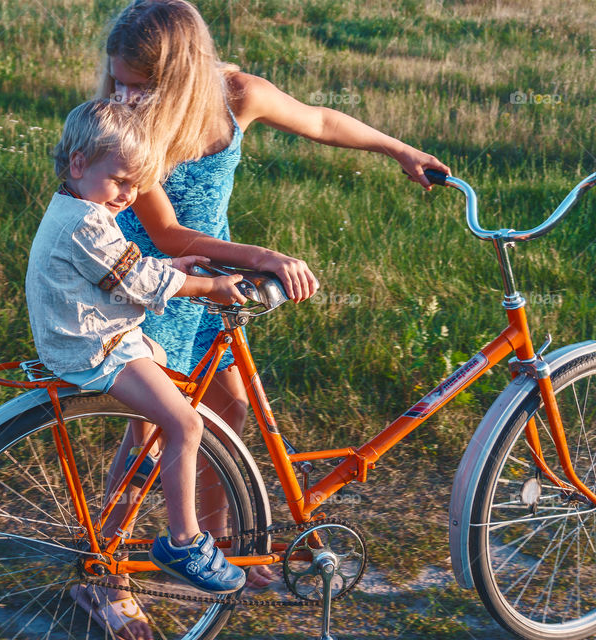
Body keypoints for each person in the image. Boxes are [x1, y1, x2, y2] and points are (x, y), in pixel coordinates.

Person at [96, 0, 452, 602]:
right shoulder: (128, 128)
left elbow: (320, 119)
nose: (126, 98)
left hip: (216, 289)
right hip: (157, 286)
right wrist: (261, 257)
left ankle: (220, 542)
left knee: (228, 413)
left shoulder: (238, 95)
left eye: (140, 87)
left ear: (182, 78)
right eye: (119, 84)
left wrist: (398, 150)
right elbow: (166, 235)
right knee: (149, 440)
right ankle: (103, 576)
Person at [25, 98, 255, 637]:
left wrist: (172, 265)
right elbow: (135, 282)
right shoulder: (86, 222)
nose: (129, 196)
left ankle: (148, 458)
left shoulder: (81, 208)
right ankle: (183, 542)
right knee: (188, 422)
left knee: (163, 364)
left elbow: (121, 271)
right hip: (91, 345)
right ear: (79, 164)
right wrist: (207, 285)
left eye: (137, 186)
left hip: (98, 332)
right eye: (122, 182)